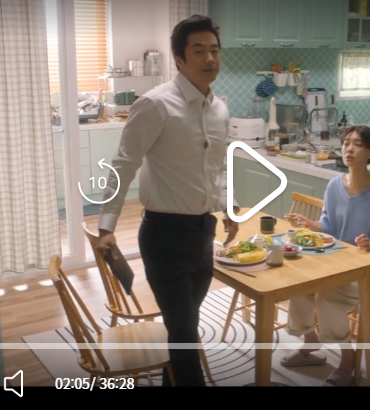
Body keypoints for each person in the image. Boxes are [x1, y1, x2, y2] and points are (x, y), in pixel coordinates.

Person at [94, 14, 239, 386]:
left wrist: (227, 206)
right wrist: (106, 226)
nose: (210, 58)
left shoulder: (220, 109)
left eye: (214, 50)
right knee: (185, 334)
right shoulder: (156, 105)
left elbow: (218, 166)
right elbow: (123, 164)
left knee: (183, 326)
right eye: (199, 51)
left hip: (203, 232)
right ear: (179, 59)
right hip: (164, 235)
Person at [282, 125, 370, 386]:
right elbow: (329, 224)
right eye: (346, 143)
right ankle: (310, 341)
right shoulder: (334, 185)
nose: (349, 149)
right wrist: (311, 224)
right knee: (298, 285)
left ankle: (348, 360)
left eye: (358, 144)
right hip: (338, 261)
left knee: (328, 296)